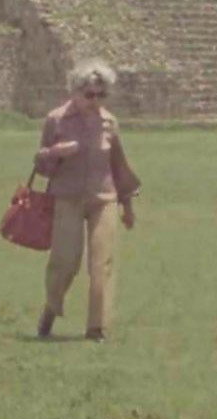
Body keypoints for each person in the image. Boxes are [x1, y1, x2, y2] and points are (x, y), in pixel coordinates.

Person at [34, 59, 141, 342]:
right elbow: (41, 166)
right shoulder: (56, 120)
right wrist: (54, 153)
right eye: (89, 94)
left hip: (103, 198)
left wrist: (128, 205)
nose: (95, 101)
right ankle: (51, 306)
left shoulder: (109, 123)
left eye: (101, 95)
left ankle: (97, 327)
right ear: (75, 91)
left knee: (101, 263)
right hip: (67, 197)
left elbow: (119, 166)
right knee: (65, 261)